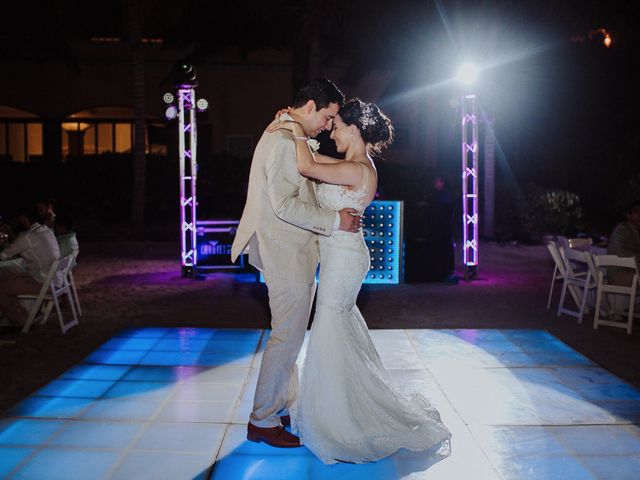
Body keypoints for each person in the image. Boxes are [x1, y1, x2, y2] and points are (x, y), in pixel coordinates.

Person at [267, 99, 451, 464]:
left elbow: (306, 165)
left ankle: (339, 422)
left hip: (345, 258)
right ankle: (341, 409)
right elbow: (314, 169)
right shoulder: (353, 165)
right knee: (336, 326)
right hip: (341, 254)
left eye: (336, 125)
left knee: (328, 327)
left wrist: (293, 126)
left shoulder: (358, 169)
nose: (332, 130)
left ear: (354, 129)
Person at [230, 77, 361, 449]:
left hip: (287, 251)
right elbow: (285, 205)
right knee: (286, 338)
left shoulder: (285, 133)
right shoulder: (284, 140)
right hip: (285, 252)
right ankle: (263, 420)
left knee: (287, 336)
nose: (326, 125)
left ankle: (280, 406)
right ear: (309, 108)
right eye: (327, 116)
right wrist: (335, 222)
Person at [0, 210, 61, 327]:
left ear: (24, 219)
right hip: (55, 280)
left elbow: (4, 255)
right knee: (10, 277)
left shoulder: (28, 236)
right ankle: (20, 312)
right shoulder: (46, 230)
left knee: (2, 285)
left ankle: (19, 319)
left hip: (43, 282)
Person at [426, 173, 458, 284]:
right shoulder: (438, 195)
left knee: (445, 251)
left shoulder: (445, 196)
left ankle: (447, 273)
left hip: (444, 231)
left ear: (442, 183)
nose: (434, 183)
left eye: (437, 181)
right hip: (441, 231)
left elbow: (444, 213)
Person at [607, 200, 640, 285]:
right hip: (619, 274)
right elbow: (624, 254)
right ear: (628, 215)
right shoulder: (622, 230)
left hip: (632, 271)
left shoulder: (635, 231)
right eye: (636, 212)